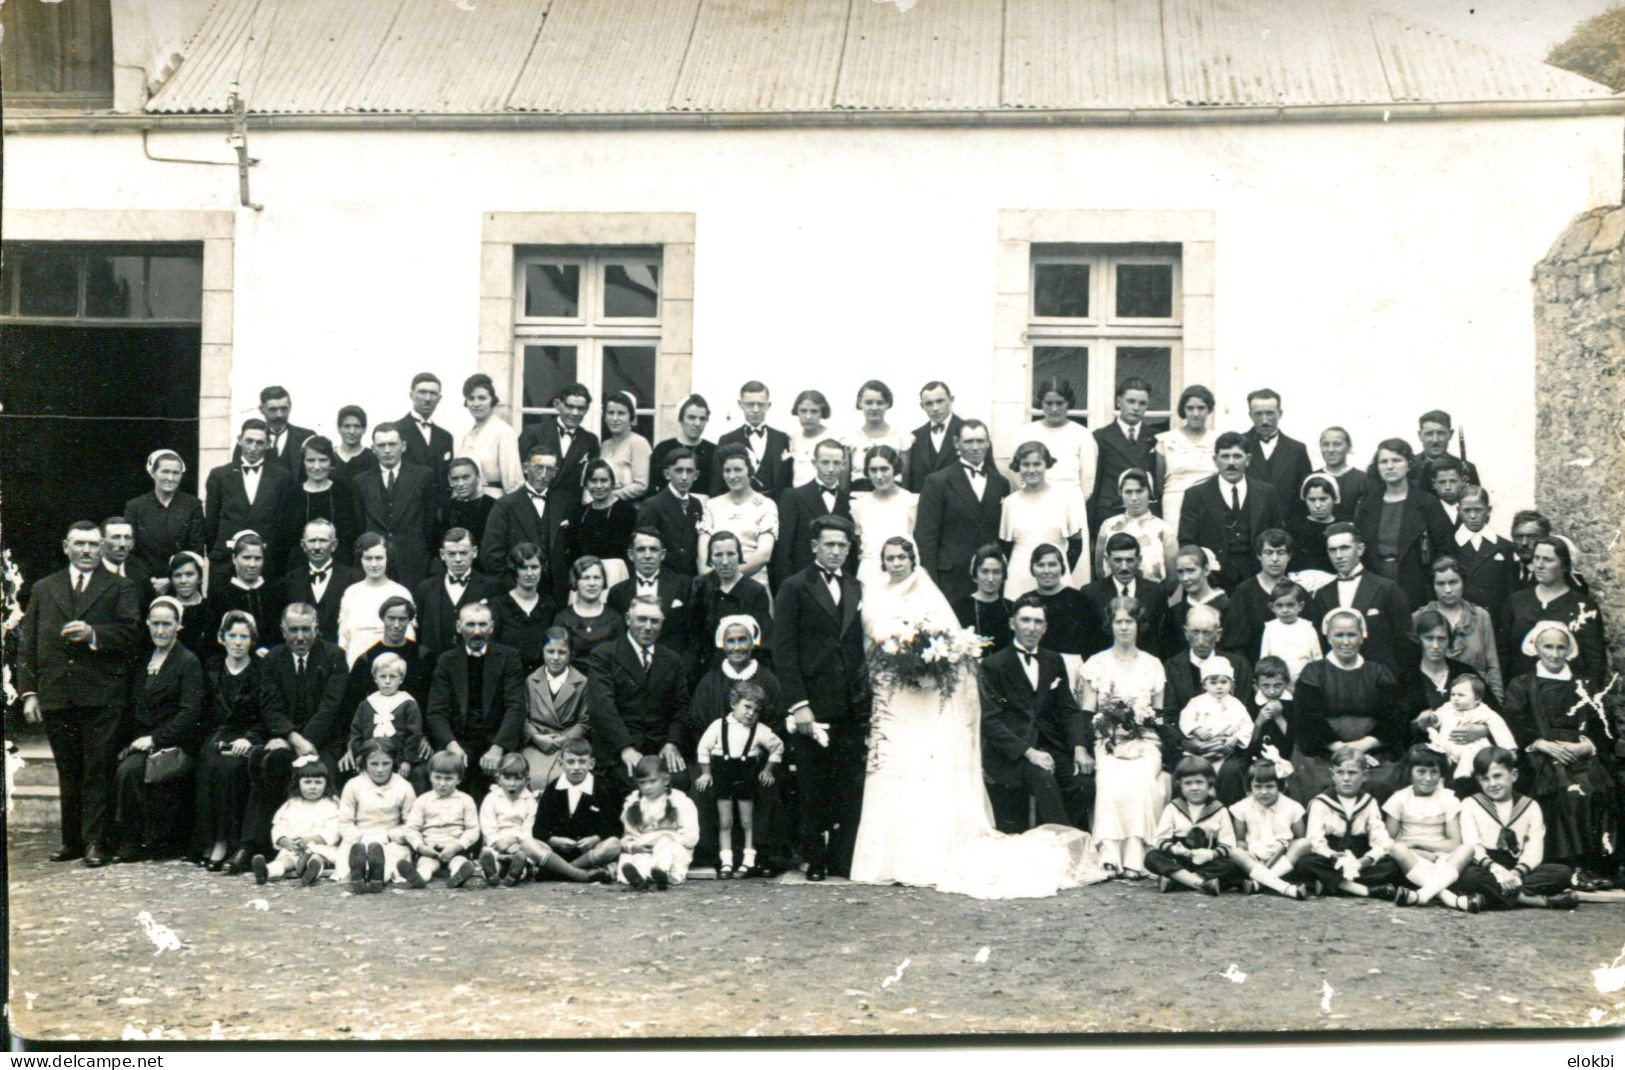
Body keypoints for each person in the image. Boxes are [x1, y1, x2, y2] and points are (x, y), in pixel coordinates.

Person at [851, 538, 1104, 897]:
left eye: (902, 557)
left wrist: (1078, 747)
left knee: (1076, 780)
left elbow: (949, 645)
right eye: (889, 558)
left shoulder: (931, 596)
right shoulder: (876, 597)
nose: (896, 564)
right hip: (898, 697)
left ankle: (1072, 855)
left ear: (913, 559)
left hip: (931, 695)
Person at [772, 515, 869, 881]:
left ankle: (842, 858)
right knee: (813, 784)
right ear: (814, 546)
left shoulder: (857, 587)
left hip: (849, 703)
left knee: (847, 783)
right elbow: (784, 650)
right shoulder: (795, 587)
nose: (835, 551)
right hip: (812, 703)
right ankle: (814, 858)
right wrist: (799, 704)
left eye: (842, 545)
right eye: (829, 544)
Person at [1502, 621, 1619, 888]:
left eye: (1560, 647)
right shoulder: (1521, 684)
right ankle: (1572, 865)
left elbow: (1604, 727)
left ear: (1569, 650)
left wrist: (1586, 747)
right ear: (1536, 648)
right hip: (1540, 756)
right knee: (1568, 791)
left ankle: (1598, 866)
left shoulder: (1585, 685)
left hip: (1580, 754)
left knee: (1599, 789)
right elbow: (1513, 723)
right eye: (1548, 647)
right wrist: (1540, 743)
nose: (1554, 654)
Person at [977, 593, 1093, 833]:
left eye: (1038, 622)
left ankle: (1072, 839)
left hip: (1050, 745)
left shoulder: (1053, 660)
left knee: (1083, 781)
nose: (1031, 628)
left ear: (1045, 627)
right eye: (1025, 620)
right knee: (1043, 778)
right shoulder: (993, 665)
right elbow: (990, 721)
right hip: (1014, 753)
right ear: (1012, 623)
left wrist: (1079, 748)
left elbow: (1068, 710)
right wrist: (1028, 752)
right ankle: (1062, 851)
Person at [683, 615, 789, 872]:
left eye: (743, 640)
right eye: (731, 641)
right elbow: (698, 722)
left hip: (756, 759)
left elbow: (775, 725)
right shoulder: (710, 680)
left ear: (753, 642)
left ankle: (760, 854)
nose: (737, 646)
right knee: (702, 780)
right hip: (718, 760)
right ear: (723, 644)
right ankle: (714, 853)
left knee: (766, 784)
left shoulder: (768, 679)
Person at [245, 604, 350, 857]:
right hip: (286, 737)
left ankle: (320, 851)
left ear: (316, 628)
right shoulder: (273, 659)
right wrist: (292, 738)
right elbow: (270, 706)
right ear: (283, 630)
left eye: (306, 629)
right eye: (293, 630)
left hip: (324, 741)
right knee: (266, 766)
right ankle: (252, 846)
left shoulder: (334, 656)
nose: (300, 637)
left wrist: (305, 742)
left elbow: (330, 708)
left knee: (323, 774)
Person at [111, 597, 204, 863]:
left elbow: (190, 713)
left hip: (175, 742)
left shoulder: (188, 662)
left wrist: (155, 739)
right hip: (143, 741)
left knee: (129, 771)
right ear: (148, 625)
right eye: (156, 624)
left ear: (178, 626)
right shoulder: (143, 659)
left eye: (167, 624)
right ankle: (129, 837)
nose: (161, 631)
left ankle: (134, 841)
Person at [1291, 608, 1406, 804]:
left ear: (1362, 637)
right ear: (1328, 637)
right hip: (1324, 751)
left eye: (1352, 634)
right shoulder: (1313, 673)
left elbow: (1393, 718)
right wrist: (1342, 750)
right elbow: (1307, 719)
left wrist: (1361, 747)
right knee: (1324, 782)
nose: (1346, 641)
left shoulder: (1379, 673)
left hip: (1372, 750)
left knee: (1380, 783)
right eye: (1339, 635)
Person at [1449, 747, 1582, 911]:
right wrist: (1496, 870)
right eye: (1485, 779)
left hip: (1518, 866)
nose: (1492, 784)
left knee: (1562, 873)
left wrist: (1515, 874)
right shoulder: (1471, 804)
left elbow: (1534, 849)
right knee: (1469, 877)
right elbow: (1473, 845)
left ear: (1513, 775)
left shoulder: (1530, 806)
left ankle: (1490, 897)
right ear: (1478, 780)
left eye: (1498, 776)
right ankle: (1536, 900)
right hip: (1487, 866)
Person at [587, 596, 691, 798]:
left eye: (655, 621)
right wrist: (624, 748)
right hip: (618, 751)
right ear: (628, 619)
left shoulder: (672, 659)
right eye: (641, 619)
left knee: (679, 782)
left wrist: (672, 743)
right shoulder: (604, 655)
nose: (648, 627)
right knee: (628, 785)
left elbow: (681, 707)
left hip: (659, 748)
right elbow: (602, 707)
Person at [424, 602, 528, 802]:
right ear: (458, 627)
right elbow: (436, 712)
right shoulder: (447, 660)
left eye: (482, 625)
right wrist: (451, 745)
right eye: (470, 625)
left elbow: (515, 708)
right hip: (459, 739)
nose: (477, 631)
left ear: (491, 627)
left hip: (495, 739)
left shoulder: (508, 657)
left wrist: (498, 747)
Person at [193, 610, 267, 872]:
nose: (237, 642)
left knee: (230, 769)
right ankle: (210, 839)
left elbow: (266, 713)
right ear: (222, 638)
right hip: (216, 734)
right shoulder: (212, 667)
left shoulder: (260, 670)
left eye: (244, 637)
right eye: (232, 636)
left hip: (247, 735)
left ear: (252, 640)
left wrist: (249, 738)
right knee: (208, 763)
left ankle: (227, 842)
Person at [693, 679, 785, 878]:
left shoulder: (760, 730)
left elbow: (778, 746)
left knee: (746, 821)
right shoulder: (718, 726)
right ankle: (726, 862)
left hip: (746, 777)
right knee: (725, 821)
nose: (751, 713)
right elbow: (703, 747)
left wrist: (768, 770)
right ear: (734, 703)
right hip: (723, 776)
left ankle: (748, 861)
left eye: (757, 710)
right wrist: (706, 772)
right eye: (747, 707)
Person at [1290, 746, 1405, 900]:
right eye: (1340, 772)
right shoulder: (1321, 802)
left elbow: (1381, 840)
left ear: (1364, 776)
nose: (1346, 778)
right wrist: (1333, 856)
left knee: (1392, 865)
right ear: (1332, 775)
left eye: (1352, 773)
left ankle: (1331, 884)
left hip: (1360, 858)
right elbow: (1315, 841)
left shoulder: (1369, 802)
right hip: (1332, 858)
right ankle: (1365, 890)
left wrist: (1366, 860)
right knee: (1306, 862)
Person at [915, 418, 1009, 605]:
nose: (975, 447)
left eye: (980, 441)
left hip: (989, 578)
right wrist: (930, 582)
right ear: (956, 443)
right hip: (951, 579)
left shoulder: (1001, 483)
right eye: (968, 441)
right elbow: (926, 537)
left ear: (988, 443)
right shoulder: (937, 481)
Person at [1355, 439, 1456, 608]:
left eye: (1396, 460)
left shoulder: (1427, 503)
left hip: (1415, 587)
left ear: (1409, 465)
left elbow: (1444, 547)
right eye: (1384, 461)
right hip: (1375, 586)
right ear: (1377, 467)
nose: (1390, 466)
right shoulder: (1367, 505)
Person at [1499, 536, 1609, 692]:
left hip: (1567, 694)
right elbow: (1503, 653)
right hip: (1522, 695)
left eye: (1547, 560)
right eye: (1536, 558)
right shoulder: (1516, 601)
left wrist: (1588, 699)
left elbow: (1595, 660)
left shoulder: (1583, 605)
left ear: (1564, 566)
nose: (1539, 565)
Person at [1177, 431, 1281, 593]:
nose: (1231, 463)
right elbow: (1186, 541)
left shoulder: (1267, 493)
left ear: (1248, 460)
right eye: (1225, 456)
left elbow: (1277, 537)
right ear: (1215, 460)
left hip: (1257, 578)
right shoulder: (1195, 495)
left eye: (1237, 456)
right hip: (1212, 582)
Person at [479, 752, 605, 885]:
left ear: (527, 780)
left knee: (529, 852)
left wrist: (516, 840)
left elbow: (529, 827)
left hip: (521, 844)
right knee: (489, 854)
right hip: (498, 843)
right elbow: (488, 827)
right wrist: (499, 843)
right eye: (507, 778)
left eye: (517, 779)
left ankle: (518, 872)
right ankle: (494, 872)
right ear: (498, 778)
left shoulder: (530, 801)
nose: (512, 784)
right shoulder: (491, 799)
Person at [1308, 523, 1414, 674]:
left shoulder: (1386, 589)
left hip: (1380, 680)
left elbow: (1404, 642)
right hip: (1336, 681)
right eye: (1333, 550)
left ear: (1360, 549)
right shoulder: (1322, 594)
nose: (1338, 555)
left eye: (1345, 548)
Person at [1381, 745, 1479, 910]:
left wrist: (1417, 842)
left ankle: (1421, 895)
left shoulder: (1448, 799)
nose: (1428, 778)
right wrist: (1419, 852)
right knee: (1397, 849)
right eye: (1421, 772)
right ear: (1410, 772)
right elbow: (1388, 842)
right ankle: (1450, 899)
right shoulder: (1398, 799)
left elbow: (1454, 843)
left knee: (1467, 849)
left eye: (1434, 772)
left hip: (1443, 857)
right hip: (1411, 858)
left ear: (1441, 774)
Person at [1162, 605, 1254, 770]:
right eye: (1195, 632)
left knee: (1231, 772)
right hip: (1186, 747)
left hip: (1230, 747)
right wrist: (1187, 743)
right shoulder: (1172, 667)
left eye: (1207, 632)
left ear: (1218, 634)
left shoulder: (1238, 665)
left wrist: (1228, 741)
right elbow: (1166, 716)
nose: (1201, 640)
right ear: (1185, 633)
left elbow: (1244, 710)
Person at [205, 419, 296, 576]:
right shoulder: (219, 475)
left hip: (266, 561)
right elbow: (212, 522)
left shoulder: (282, 477)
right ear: (240, 440)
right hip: (227, 560)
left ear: (268, 444)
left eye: (260, 443)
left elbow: (284, 524)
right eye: (249, 441)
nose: (253, 448)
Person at [1143, 757, 1243, 896]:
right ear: (1180, 785)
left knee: (1233, 865)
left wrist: (1211, 854)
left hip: (1207, 860)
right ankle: (1201, 883)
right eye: (1188, 783)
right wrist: (1176, 850)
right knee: (1151, 857)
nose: (1194, 788)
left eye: (1199, 782)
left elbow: (1228, 843)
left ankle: (1176, 881)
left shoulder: (1219, 809)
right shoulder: (1173, 807)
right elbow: (1159, 839)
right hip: (1180, 859)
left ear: (1209, 783)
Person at [1000, 440, 1088, 598]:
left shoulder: (1063, 499)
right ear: (1018, 467)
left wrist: (1059, 569)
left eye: (1037, 464)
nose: (1031, 470)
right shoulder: (1009, 503)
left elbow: (1077, 543)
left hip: (1055, 577)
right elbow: (1005, 547)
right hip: (1020, 578)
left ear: (1046, 464)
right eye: (1026, 464)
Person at [356, 422, 437, 589]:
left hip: (413, 562)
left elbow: (431, 523)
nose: (387, 450)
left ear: (403, 446)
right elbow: (359, 524)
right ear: (373, 449)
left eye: (392, 444)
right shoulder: (361, 481)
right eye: (381, 445)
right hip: (375, 562)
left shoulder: (423, 476)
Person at [481, 446, 569, 600]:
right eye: (538, 468)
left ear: (555, 472)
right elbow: (491, 555)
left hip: (556, 594)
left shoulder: (563, 504)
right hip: (518, 592)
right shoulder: (505, 505)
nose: (543, 475)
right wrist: (514, 589)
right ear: (526, 468)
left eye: (549, 470)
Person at [333, 737, 416, 893]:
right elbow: (344, 822)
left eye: (386, 764)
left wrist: (390, 836)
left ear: (394, 762)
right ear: (364, 763)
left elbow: (411, 824)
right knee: (350, 858)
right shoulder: (353, 785)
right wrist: (360, 837)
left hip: (390, 840)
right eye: (374, 764)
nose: (380, 769)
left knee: (390, 860)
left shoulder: (404, 787)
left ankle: (376, 876)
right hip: (359, 839)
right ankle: (358, 873)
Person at [1413, 559, 1503, 702]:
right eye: (1440, 584)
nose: (1448, 590)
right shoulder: (1420, 617)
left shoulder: (1480, 616)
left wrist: (1497, 700)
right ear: (1433, 586)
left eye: (1453, 582)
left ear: (1463, 583)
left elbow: (1492, 665)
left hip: (1475, 697)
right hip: (1435, 697)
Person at [688, 531, 773, 681]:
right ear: (710, 558)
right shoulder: (701, 585)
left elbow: (762, 644)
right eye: (718, 555)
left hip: (744, 672)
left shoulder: (755, 591)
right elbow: (695, 639)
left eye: (731, 554)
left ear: (739, 556)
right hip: (708, 672)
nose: (725, 561)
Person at [533, 738, 625, 876]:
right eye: (570, 762)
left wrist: (597, 838)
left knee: (613, 844)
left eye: (582, 762)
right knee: (529, 844)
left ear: (591, 763)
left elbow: (615, 826)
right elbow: (539, 829)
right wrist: (554, 840)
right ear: (561, 763)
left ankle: (563, 871)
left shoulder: (602, 788)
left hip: (589, 854)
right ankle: (578, 874)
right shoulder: (553, 789)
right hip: (557, 853)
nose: (576, 767)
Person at [1414, 674, 1515, 797]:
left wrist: (1509, 749)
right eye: (1453, 694)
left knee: (1469, 756)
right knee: (1436, 758)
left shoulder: (1484, 712)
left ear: (1477, 698)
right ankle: (1439, 783)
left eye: (1461, 695)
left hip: (1470, 747)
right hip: (1446, 746)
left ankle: (1462, 777)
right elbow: (1438, 718)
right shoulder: (1447, 708)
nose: (1455, 699)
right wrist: (1432, 718)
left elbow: (1500, 728)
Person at [771, 439, 850, 591]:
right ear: (814, 463)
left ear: (844, 465)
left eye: (836, 463)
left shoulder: (850, 502)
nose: (831, 469)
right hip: (802, 585)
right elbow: (783, 549)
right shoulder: (793, 496)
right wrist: (787, 589)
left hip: (839, 586)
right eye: (825, 462)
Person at [397, 749, 482, 889]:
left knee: (458, 862)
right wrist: (421, 847)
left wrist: (457, 846)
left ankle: (458, 876)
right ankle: (419, 878)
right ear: (430, 776)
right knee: (426, 864)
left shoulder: (465, 800)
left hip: (455, 848)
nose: (442, 783)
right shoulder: (423, 800)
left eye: (448, 779)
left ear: (459, 779)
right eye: (438, 777)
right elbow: (411, 828)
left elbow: (473, 830)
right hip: (430, 849)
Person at [413, 528, 501, 661]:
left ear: (475, 552)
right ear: (442, 554)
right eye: (451, 554)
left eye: (463, 553)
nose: (458, 559)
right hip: (435, 667)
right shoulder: (425, 589)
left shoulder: (491, 587)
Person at [607, 528, 693, 665]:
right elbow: (616, 639)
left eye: (653, 549)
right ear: (630, 554)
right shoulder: (618, 593)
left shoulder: (683, 585)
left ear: (663, 554)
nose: (648, 555)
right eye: (641, 549)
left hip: (673, 668)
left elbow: (693, 635)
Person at [343, 596, 432, 727]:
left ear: (409, 620)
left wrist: (426, 736)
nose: (396, 625)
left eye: (402, 619)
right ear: (383, 618)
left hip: (415, 730)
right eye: (391, 618)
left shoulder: (423, 656)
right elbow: (352, 703)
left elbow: (431, 702)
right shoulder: (366, 659)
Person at [1227, 760, 1312, 898]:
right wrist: (1252, 847)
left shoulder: (1292, 807)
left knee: (1304, 843)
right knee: (1234, 852)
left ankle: (1259, 882)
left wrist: (1284, 844)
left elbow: (1299, 837)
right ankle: (1285, 888)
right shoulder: (1242, 808)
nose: (1264, 792)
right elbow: (1240, 840)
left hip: (1283, 859)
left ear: (1280, 786)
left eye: (1270, 786)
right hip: (1254, 860)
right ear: (1250, 787)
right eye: (1258, 787)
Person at [125, 449, 205, 594]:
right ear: (153, 473)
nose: (170, 477)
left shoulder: (193, 505)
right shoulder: (135, 507)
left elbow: (196, 548)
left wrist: (170, 580)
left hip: (180, 584)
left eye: (176, 473)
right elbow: (131, 550)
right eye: (165, 471)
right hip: (144, 584)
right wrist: (149, 580)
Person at [250, 758, 340, 886]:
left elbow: (334, 831)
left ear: (326, 784)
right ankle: (266, 871)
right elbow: (279, 826)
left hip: (319, 846)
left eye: (318, 782)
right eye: (307, 782)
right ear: (298, 783)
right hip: (294, 848)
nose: (313, 787)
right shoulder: (291, 804)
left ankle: (312, 871)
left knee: (318, 858)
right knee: (286, 860)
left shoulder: (330, 805)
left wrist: (309, 840)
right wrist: (283, 840)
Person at [700, 443, 778, 588]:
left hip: (754, 583)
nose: (732, 476)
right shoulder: (712, 505)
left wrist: (730, 579)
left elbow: (763, 555)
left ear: (750, 471)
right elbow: (703, 555)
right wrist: (712, 580)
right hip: (715, 585)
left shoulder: (766, 505)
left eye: (738, 470)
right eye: (727, 470)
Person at [618, 755, 702, 890]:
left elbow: (691, 836)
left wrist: (665, 837)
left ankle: (661, 874)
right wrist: (633, 846)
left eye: (652, 781)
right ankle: (639, 879)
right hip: (644, 846)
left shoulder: (679, 801)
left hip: (671, 846)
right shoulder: (634, 801)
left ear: (666, 779)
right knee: (638, 857)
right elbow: (628, 833)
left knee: (665, 848)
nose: (647, 787)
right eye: (642, 782)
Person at [1090, 377, 1161, 537]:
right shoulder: (1100, 437)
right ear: (1118, 401)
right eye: (1131, 401)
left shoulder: (1156, 437)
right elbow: (1095, 483)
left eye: (1142, 403)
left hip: (1146, 513)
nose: (1136, 408)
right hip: (1111, 511)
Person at [346, 652, 427, 790]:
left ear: (401, 679)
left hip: (399, 761)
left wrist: (407, 761)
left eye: (393, 676)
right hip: (370, 759)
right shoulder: (366, 704)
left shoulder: (408, 703)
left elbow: (414, 734)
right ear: (375, 678)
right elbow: (356, 732)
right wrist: (359, 755)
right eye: (383, 676)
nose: (387, 681)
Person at [1176, 655, 1253, 800]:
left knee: (1231, 772)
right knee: (1194, 770)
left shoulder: (1236, 704)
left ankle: (1225, 805)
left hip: (1227, 750)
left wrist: (1236, 739)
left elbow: (1247, 724)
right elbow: (1185, 718)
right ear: (1204, 685)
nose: (1219, 686)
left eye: (1224, 682)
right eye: (1213, 682)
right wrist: (1196, 729)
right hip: (1203, 748)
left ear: (1231, 684)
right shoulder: (1197, 702)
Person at [520, 628, 589, 790]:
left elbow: (585, 720)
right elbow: (522, 716)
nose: (556, 657)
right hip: (537, 744)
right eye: (550, 651)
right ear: (542, 652)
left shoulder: (582, 682)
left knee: (562, 782)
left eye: (562, 652)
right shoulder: (531, 680)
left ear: (571, 654)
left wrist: (564, 740)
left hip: (567, 744)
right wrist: (535, 737)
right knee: (528, 778)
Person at [1082, 532, 1171, 657]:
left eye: (1130, 560)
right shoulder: (1090, 593)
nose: (1124, 567)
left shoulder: (1156, 592)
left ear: (1139, 560)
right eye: (1118, 560)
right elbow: (1087, 642)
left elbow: (1163, 640)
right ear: (1107, 561)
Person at [1023, 377, 1097, 521]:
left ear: (1068, 403)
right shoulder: (1026, 433)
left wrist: (1070, 505)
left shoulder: (1083, 435)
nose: (1054, 409)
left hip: (1071, 509)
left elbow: (1088, 482)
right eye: (1049, 403)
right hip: (1034, 507)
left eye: (1060, 403)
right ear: (1041, 404)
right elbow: (1018, 477)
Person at [282, 436, 360, 572]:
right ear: (303, 462)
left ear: (331, 462)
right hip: (299, 569)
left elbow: (350, 536)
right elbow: (286, 540)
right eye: (311, 460)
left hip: (340, 568)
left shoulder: (343, 492)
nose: (317, 466)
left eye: (323, 460)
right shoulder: (292, 495)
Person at [336, 532, 415, 665]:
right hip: (355, 663)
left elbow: (409, 638)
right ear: (360, 559)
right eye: (368, 558)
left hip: (390, 667)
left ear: (387, 558)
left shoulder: (400, 592)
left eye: (379, 558)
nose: (373, 564)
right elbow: (344, 639)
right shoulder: (351, 593)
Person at [1153, 384, 1218, 540]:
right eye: (1190, 408)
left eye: (1201, 408)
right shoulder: (1166, 441)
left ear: (1209, 409)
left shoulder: (1218, 441)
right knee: (1176, 546)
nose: (1195, 413)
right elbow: (1159, 484)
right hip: (1175, 503)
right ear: (1183, 410)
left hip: (1209, 503)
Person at [848, 445, 918, 588]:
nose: (879, 476)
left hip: (902, 574)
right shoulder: (859, 505)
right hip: (870, 576)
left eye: (884, 469)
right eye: (873, 470)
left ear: (895, 469)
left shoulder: (911, 501)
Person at [519, 382, 599, 504]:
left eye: (580, 408)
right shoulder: (533, 433)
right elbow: (520, 471)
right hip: (535, 503)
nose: (575, 413)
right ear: (557, 405)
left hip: (571, 510)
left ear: (587, 409)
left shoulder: (590, 440)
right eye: (570, 407)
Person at [203, 531, 282, 657]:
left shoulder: (273, 592)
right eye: (246, 558)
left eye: (257, 558)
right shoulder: (221, 594)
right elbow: (212, 639)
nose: (252, 564)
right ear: (234, 559)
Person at [1094, 469, 1178, 583]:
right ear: (1120, 493)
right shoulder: (1108, 525)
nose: (1134, 498)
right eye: (1128, 492)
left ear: (1149, 492)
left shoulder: (1164, 529)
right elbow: (1100, 570)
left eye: (1140, 491)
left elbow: (1172, 577)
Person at [1401, 605, 1482, 723]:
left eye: (1441, 639)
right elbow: (1398, 727)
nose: (1435, 646)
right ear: (1419, 640)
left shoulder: (1465, 672)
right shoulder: (1406, 678)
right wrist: (1418, 726)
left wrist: (1481, 730)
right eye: (1429, 638)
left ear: (1449, 640)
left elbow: (1494, 712)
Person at [283, 520, 359, 643]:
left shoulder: (353, 579)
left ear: (334, 545)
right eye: (312, 541)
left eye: (323, 541)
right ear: (303, 545)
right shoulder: (290, 581)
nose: (317, 547)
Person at [636, 446, 707, 577]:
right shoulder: (652, 505)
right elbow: (643, 547)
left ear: (696, 475)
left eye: (689, 471)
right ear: (667, 474)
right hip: (664, 578)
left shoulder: (696, 504)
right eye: (679, 471)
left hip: (690, 579)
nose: (684, 477)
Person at [1450, 486, 1516, 625]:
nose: (1472, 516)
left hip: (1496, 622)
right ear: (1458, 511)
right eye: (1467, 510)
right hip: (1460, 621)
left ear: (1488, 510)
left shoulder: (1504, 547)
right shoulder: (1449, 546)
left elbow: (1511, 592)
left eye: (1478, 510)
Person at [567, 459, 638, 588]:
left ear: (612, 482)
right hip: (586, 577)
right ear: (586, 484)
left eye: (604, 480)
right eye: (593, 481)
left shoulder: (626, 511)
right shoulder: (581, 513)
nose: (599, 486)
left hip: (616, 576)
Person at [715, 380, 792, 498]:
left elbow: (788, 480)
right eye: (750, 404)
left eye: (760, 404)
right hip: (738, 507)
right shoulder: (727, 440)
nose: (755, 410)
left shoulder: (782, 439)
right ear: (740, 404)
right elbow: (718, 483)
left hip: (776, 506)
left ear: (768, 405)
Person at [493, 543, 559, 673]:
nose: (530, 573)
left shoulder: (549, 605)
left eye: (534, 567)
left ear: (542, 569)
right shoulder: (498, 605)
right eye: (523, 567)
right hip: (507, 677)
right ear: (514, 570)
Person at [1240, 388, 1313, 506]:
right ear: (1250, 415)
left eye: (1270, 413)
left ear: (1280, 413)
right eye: (1258, 414)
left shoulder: (1297, 450)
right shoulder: (1239, 446)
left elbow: (1306, 493)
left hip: (1285, 523)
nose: (1264, 420)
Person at [1028, 545, 1091, 682]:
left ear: (1062, 567)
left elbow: (1091, 643)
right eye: (1040, 565)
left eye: (1052, 565)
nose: (1046, 571)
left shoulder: (1079, 600)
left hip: (1071, 671)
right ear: (1032, 568)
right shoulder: (1026, 602)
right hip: (1035, 670)